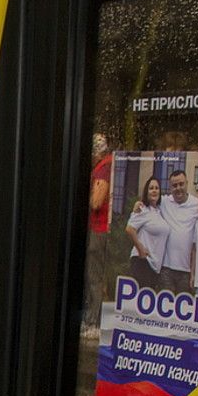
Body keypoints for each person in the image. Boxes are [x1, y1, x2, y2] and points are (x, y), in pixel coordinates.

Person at [153, 169, 198, 294]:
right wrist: (137, 205)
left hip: (186, 270)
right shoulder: (164, 202)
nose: (178, 188)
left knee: (183, 309)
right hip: (166, 268)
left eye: (181, 184)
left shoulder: (197, 204)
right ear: (170, 188)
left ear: (187, 183)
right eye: (174, 185)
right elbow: (148, 200)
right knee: (166, 307)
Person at [84, 133, 114, 328]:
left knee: (94, 276)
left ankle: (94, 321)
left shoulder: (103, 169)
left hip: (99, 229)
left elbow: (96, 202)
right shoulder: (111, 164)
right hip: (105, 229)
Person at [126, 176, 171, 290]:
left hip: (155, 266)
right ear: (146, 191)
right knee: (141, 302)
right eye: (151, 188)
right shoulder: (142, 209)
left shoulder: (159, 211)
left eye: (157, 188)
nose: (154, 190)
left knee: (148, 303)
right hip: (142, 262)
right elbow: (130, 229)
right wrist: (140, 248)